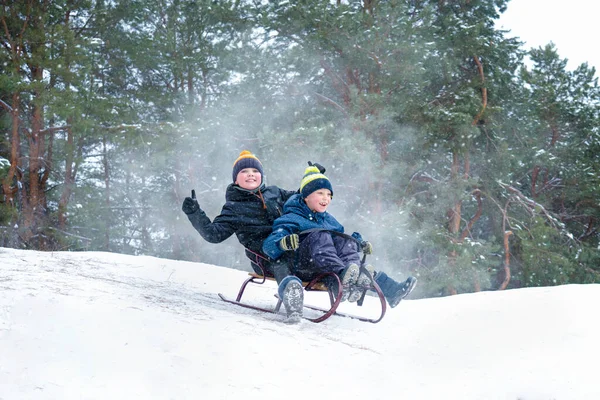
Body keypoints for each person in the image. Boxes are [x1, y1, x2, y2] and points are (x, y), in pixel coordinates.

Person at [262, 165, 417, 323]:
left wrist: (358, 243)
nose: (326, 198)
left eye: (329, 195)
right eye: (320, 193)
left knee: (343, 240)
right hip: (302, 266)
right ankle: (345, 278)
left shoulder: (329, 219)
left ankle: (387, 289)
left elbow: (338, 246)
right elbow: (268, 247)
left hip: (326, 268)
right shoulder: (292, 217)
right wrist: (283, 242)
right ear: (306, 196)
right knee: (320, 235)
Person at [181, 150, 324, 283]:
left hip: (291, 245)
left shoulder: (275, 192)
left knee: (320, 245)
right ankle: (290, 291)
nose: (251, 174)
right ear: (236, 180)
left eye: (255, 171)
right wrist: (194, 213)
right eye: (244, 171)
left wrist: (313, 179)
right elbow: (213, 234)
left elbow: (300, 199)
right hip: (264, 258)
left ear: (261, 176)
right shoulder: (234, 208)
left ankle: (338, 280)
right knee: (282, 259)